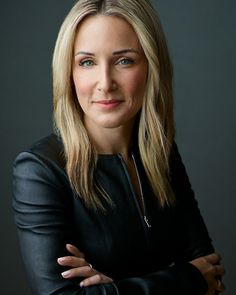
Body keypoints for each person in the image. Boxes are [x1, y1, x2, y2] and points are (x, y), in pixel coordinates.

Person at [13, 0, 225, 294]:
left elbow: (211, 275)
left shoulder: (161, 153)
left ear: (151, 65)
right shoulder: (40, 170)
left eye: (124, 60)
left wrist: (112, 288)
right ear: (69, 73)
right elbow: (198, 276)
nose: (105, 82)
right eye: (87, 62)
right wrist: (185, 279)